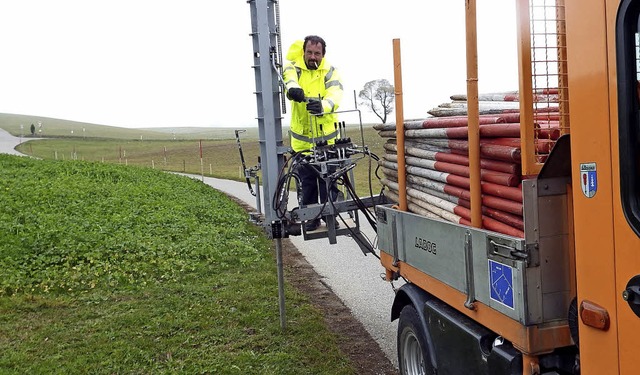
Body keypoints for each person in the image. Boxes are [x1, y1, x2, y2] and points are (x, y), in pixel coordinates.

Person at [283, 35, 343, 231]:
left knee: (329, 180)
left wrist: (324, 106)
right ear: (304, 52)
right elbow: (288, 80)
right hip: (302, 143)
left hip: (327, 142)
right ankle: (311, 218)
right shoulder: (294, 67)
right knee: (307, 183)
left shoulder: (330, 71)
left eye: (317, 53)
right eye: (309, 52)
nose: (313, 57)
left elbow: (336, 95)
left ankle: (330, 216)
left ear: (323, 55)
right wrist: (293, 90)